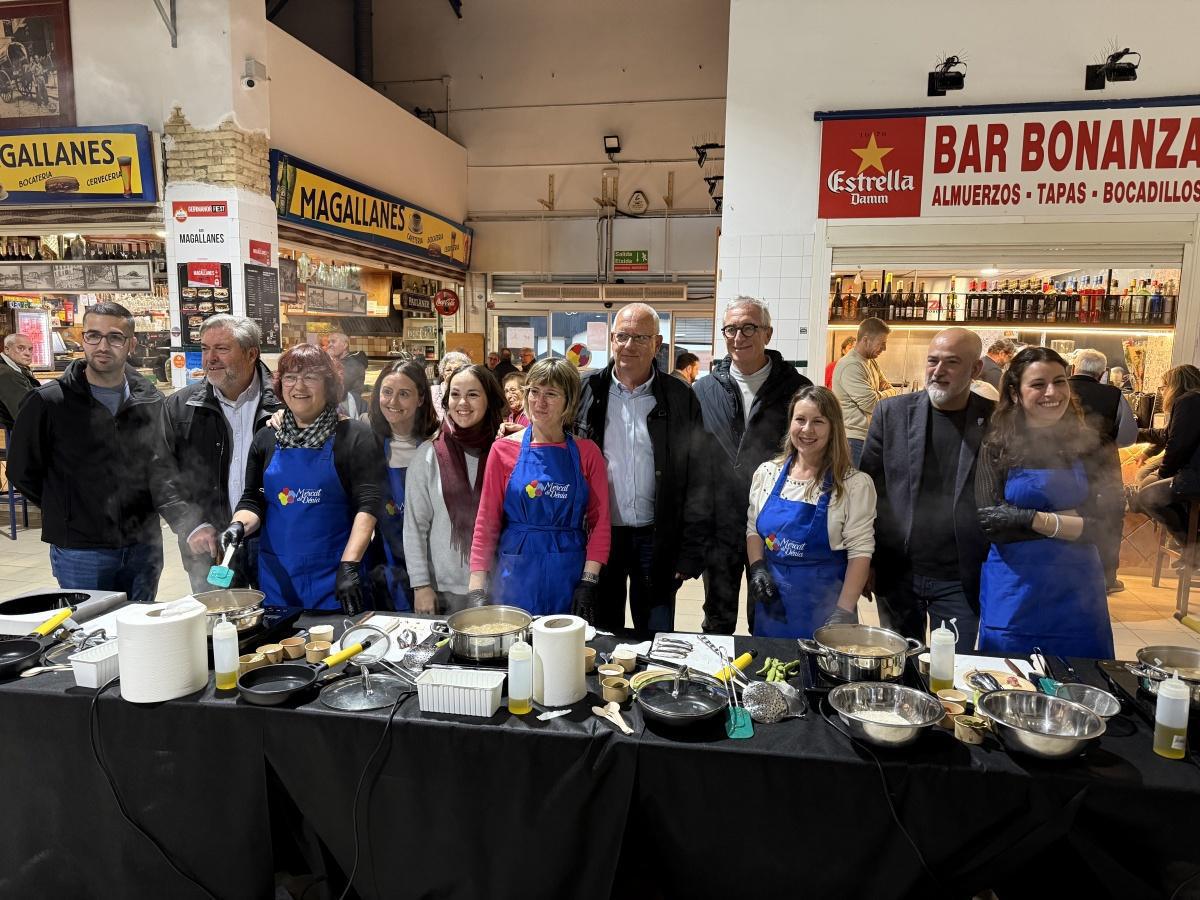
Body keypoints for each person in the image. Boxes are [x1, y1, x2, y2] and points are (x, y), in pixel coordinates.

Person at [8, 302, 190, 603]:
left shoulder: (150, 401)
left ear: (131, 344)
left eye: (115, 337)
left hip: (143, 545)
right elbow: (22, 472)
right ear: (83, 339)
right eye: (94, 335)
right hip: (81, 551)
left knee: (141, 634)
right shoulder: (49, 403)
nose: (103, 345)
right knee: (90, 637)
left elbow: (162, 468)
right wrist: (68, 508)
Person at [974, 347, 1120, 659]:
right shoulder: (996, 445)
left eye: (1060, 381)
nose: (1051, 392)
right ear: (1015, 393)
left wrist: (1022, 517)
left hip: (1077, 591)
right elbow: (991, 521)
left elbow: (1106, 526)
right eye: (1038, 384)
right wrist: (1054, 519)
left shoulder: (1094, 443)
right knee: (1009, 680)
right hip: (1014, 589)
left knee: (1079, 681)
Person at [575, 304, 710, 633]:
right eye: (622, 336)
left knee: (656, 635)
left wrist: (691, 549)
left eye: (640, 338)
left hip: (657, 537)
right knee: (602, 633)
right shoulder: (587, 391)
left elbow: (698, 477)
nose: (629, 345)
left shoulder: (679, 397)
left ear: (658, 344)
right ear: (611, 339)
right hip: (601, 537)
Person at [223, 344, 384, 614]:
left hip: (335, 576)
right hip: (279, 577)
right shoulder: (267, 437)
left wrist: (349, 564)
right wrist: (238, 525)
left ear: (329, 385)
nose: (299, 386)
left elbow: (368, 504)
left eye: (310, 377)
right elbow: (254, 498)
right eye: (290, 377)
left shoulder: (354, 436)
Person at [860, 328, 994, 650]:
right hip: (898, 572)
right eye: (933, 361)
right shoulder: (892, 413)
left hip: (960, 578)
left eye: (952, 362)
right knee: (900, 669)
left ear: (975, 370)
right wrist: (866, 561)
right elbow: (867, 490)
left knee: (953, 671)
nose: (938, 370)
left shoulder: (995, 421)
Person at [695, 296, 808, 633]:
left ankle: (765, 683)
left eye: (748, 328)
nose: (738, 336)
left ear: (767, 334)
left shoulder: (796, 390)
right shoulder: (704, 390)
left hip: (774, 523)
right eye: (730, 329)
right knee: (717, 616)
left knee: (769, 612)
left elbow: (810, 457)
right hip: (720, 524)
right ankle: (715, 681)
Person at [470, 359, 610, 617]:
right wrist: (477, 588)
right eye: (533, 391)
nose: (539, 402)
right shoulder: (502, 450)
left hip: (568, 574)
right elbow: (486, 521)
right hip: (515, 574)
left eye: (551, 394)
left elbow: (599, 524)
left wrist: (589, 581)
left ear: (569, 401)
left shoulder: (587, 453)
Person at [164, 315, 282, 593]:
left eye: (222, 349)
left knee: (280, 625)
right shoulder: (180, 407)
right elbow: (162, 475)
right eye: (205, 349)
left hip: (274, 542)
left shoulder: (285, 402)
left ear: (252, 353)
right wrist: (191, 525)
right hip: (209, 542)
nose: (210, 358)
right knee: (219, 627)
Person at [746, 386, 875, 638]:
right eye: (800, 420)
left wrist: (844, 610)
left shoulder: (853, 485)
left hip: (826, 611)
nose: (807, 430)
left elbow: (861, 553)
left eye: (818, 421)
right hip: (773, 608)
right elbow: (754, 529)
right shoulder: (767, 474)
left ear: (833, 428)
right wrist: (758, 567)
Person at [405, 364, 505, 614]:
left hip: (499, 586)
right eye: (455, 394)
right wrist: (420, 586)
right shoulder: (428, 455)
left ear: (489, 399)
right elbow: (414, 527)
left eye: (473, 394)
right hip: (444, 590)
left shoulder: (505, 453)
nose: (462, 403)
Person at [364, 359, 440, 612]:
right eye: (387, 392)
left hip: (434, 573)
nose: (393, 402)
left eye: (404, 394)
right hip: (385, 570)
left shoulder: (438, 445)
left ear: (421, 399)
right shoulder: (366, 442)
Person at [1069, 348, 1137, 593]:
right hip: (1103, 468)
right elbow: (1129, 437)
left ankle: (1070, 574)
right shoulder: (1113, 394)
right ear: (1102, 373)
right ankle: (1107, 578)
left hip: (1064, 466)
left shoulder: (1058, 388)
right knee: (1108, 520)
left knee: (1067, 516)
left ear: (1074, 368)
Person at [1134, 365, 1200, 544]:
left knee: (1147, 497)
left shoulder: (1189, 401)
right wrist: (1131, 433)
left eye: (1164, 387)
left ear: (1175, 385)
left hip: (1194, 477)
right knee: (1149, 489)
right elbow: (1166, 435)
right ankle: (1189, 545)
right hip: (1192, 474)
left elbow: (1179, 445)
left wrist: (1163, 473)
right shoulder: (1192, 401)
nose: (1163, 392)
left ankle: (1191, 545)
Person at [832, 317, 898, 466]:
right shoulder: (851, 365)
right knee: (856, 487)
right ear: (866, 340)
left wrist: (885, 393)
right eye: (882, 343)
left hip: (866, 437)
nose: (884, 348)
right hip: (852, 440)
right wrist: (889, 393)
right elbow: (873, 404)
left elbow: (888, 387)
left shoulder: (871, 361)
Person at [0, 332, 39, 430]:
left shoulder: (16, 368)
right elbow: (25, 415)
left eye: (30, 349)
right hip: (10, 434)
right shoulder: (7, 374)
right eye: (21, 348)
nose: (27, 353)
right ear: (7, 349)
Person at [325, 332, 367, 418]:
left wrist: (329, 359)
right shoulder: (340, 362)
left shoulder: (353, 363)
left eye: (333, 341)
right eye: (329, 342)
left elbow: (336, 388)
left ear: (345, 345)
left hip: (349, 409)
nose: (329, 345)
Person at [429, 350, 472, 420]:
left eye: (456, 370)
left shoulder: (471, 392)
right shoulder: (432, 391)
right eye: (448, 370)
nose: (452, 373)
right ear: (442, 373)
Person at [499, 371, 530, 436]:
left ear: (525, 391)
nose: (508, 396)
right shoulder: (511, 416)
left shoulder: (532, 416)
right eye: (506, 391)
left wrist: (523, 430)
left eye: (513, 390)